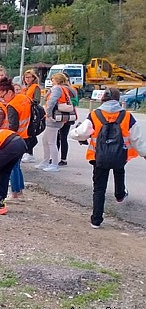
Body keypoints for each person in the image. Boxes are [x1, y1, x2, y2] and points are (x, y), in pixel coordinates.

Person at [69, 88, 146, 228]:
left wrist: (74, 133)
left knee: (99, 188)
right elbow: (137, 139)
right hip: (119, 156)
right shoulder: (127, 116)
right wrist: (144, 153)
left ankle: (96, 220)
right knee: (119, 171)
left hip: (99, 157)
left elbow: (81, 133)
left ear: (102, 98)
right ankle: (120, 194)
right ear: (118, 99)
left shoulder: (95, 115)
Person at [0, 78, 33, 201]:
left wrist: (6, 140)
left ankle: (15, 193)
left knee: (12, 166)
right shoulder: (24, 98)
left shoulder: (12, 105)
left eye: (3, 96)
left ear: (10, 92)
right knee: (17, 165)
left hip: (16, 139)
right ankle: (20, 191)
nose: (2, 99)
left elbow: (13, 126)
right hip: (26, 136)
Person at [35, 72, 72, 172]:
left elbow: (51, 102)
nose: (51, 82)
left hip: (53, 119)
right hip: (58, 118)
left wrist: (48, 113)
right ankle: (46, 161)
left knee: (51, 141)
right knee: (46, 140)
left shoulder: (56, 89)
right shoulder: (65, 88)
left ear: (56, 80)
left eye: (52, 80)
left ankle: (53, 163)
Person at [55, 77, 78, 166]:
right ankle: (57, 158)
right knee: (58, 137)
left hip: (62, 115)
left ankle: (62, 158)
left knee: (62, 137)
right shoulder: (71, 89)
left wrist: (62, 102)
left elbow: (75, 102)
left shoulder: (70, 90)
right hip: (66, 115)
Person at [21, 69, 41, 163]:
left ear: (33, 78)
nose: (27, 79)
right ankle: (27, 152)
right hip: (24, 112)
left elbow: (37, 100)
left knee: (30, 133)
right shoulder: (24, 88)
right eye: (26, 77)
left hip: (31, 112)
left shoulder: (35, 87)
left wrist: (28, 102)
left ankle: (30, 153)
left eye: (29, 77)